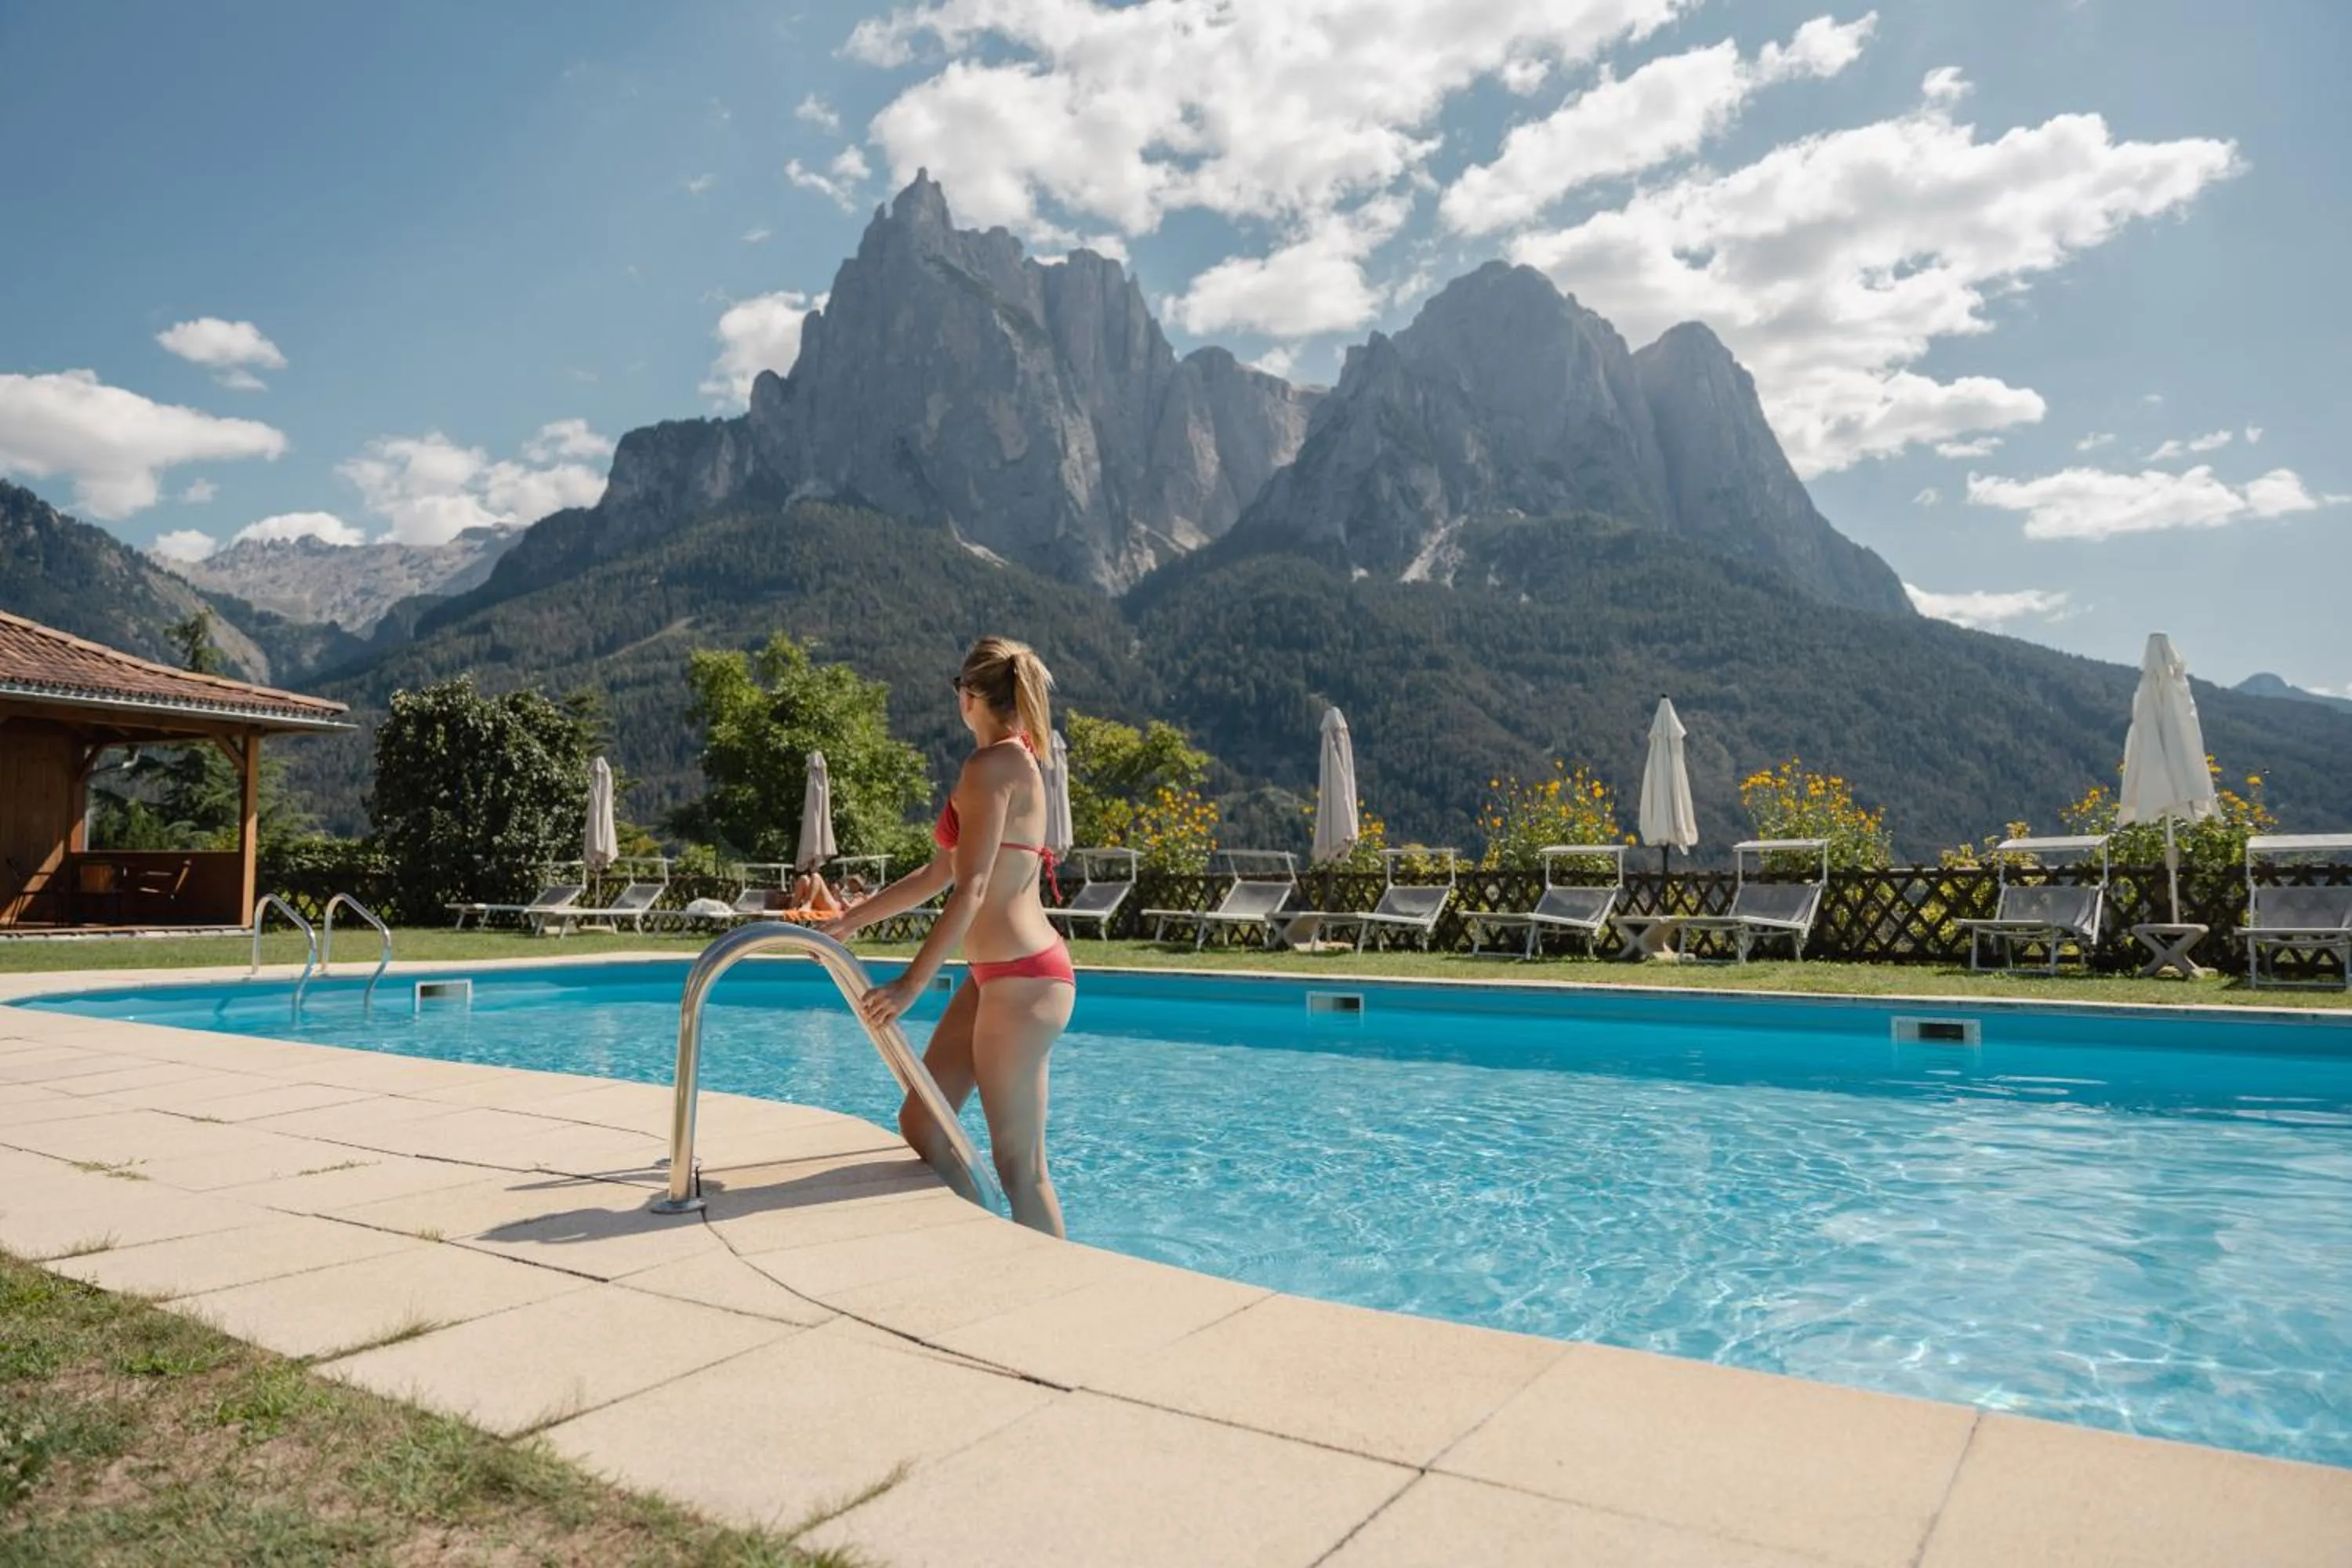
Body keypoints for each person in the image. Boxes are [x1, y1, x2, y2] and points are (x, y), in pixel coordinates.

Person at [822, 637, 1075, 1236]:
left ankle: (1053, 1296)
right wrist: (851, 920)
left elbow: (973, 888)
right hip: (995, 979)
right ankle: (988, 1238)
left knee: (1022, 1167)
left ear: (970, 695)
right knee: (924, 1123)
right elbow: (940, 873)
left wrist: (913, 983)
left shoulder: (994, 768)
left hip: (1024, 981)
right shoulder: (1006, 762)